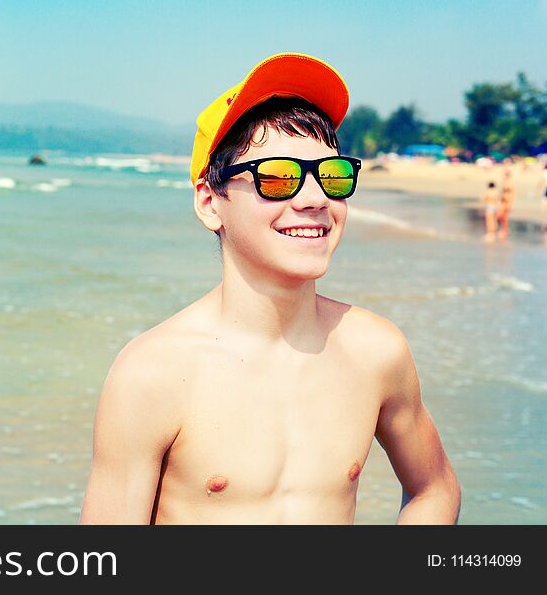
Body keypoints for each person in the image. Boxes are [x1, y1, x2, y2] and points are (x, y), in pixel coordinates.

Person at [80, 53, 461, 524]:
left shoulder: (375, 351)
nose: (314, 198)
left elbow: (434, 489)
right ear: (209, 203)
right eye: (278, 177)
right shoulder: (154, 374)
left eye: (333, 175)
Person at [496, 168, 514, 240]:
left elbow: (512, 193)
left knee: (504, 216)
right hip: (502, 201)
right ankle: (504, 229)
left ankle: (505, 230)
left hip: (507, 201)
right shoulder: (504, 182)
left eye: (505, 175)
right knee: (500, 216)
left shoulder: (510, 183)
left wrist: (511, 203)